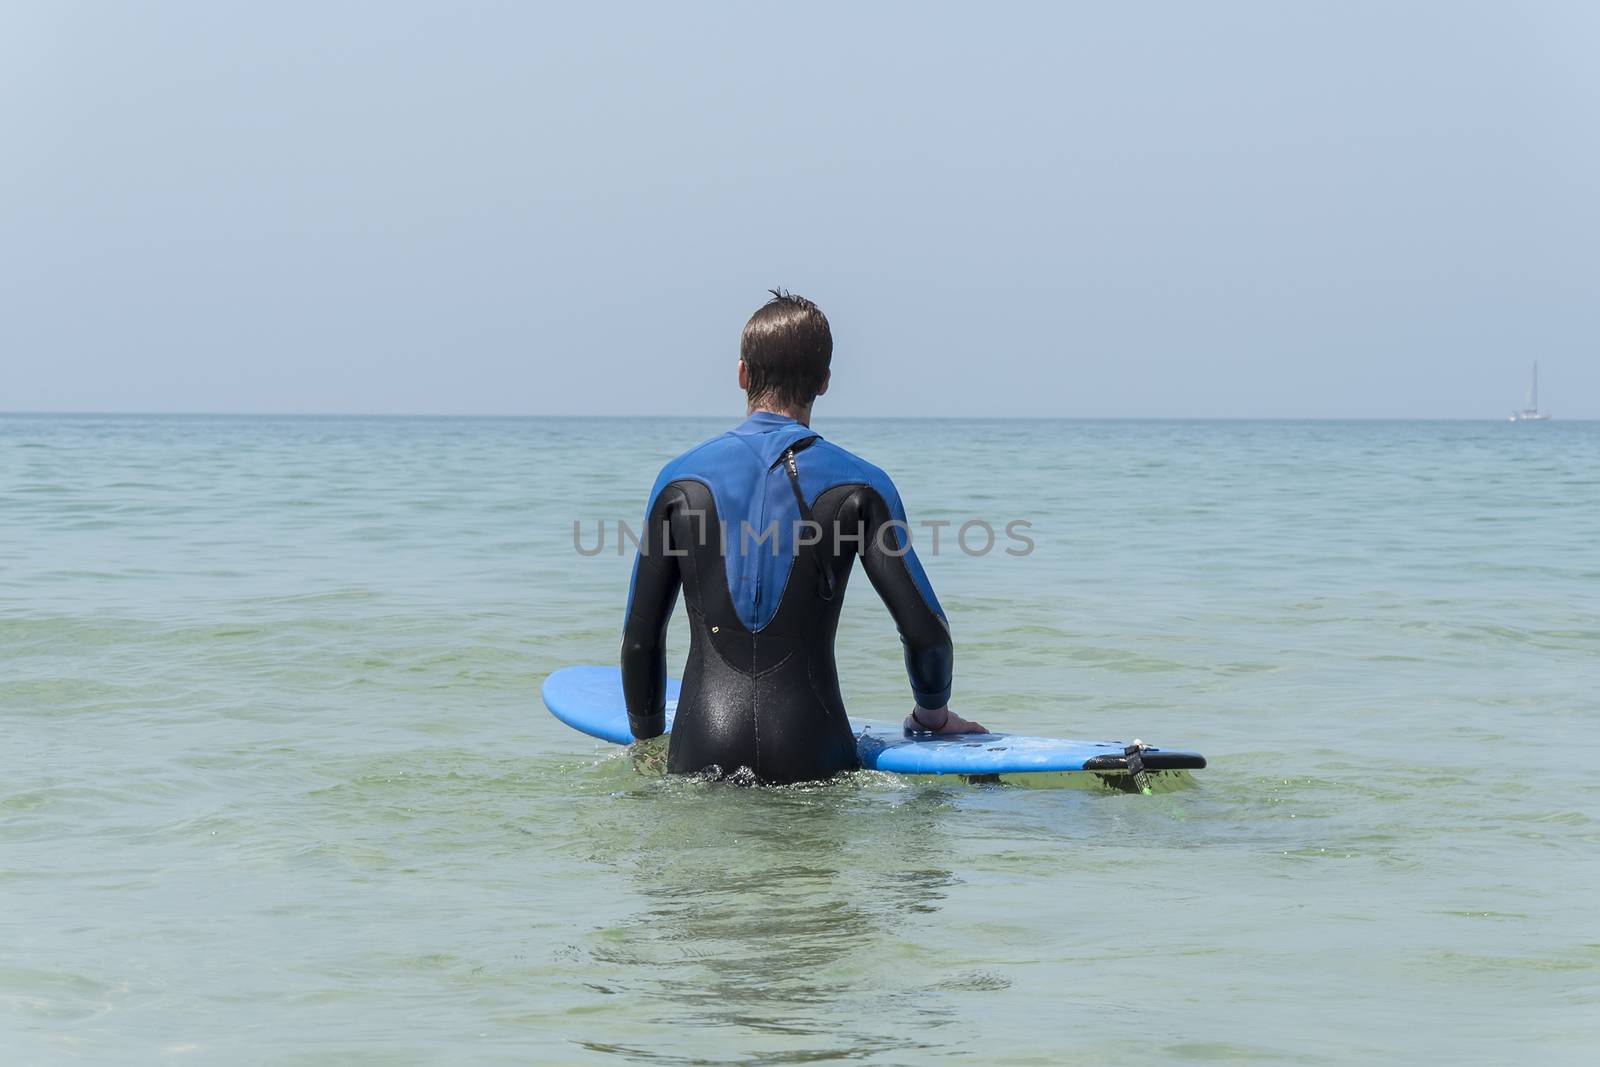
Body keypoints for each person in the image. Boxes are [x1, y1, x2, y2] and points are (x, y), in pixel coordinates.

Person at [621, 290, 984, 785]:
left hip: (700, 746)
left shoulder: (678, 481)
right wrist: (933, 717)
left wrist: (646, 739)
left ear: (742, 374)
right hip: (812, 750)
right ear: (825, 382)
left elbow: (641, 639)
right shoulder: (862, 485)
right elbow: (927, 632)